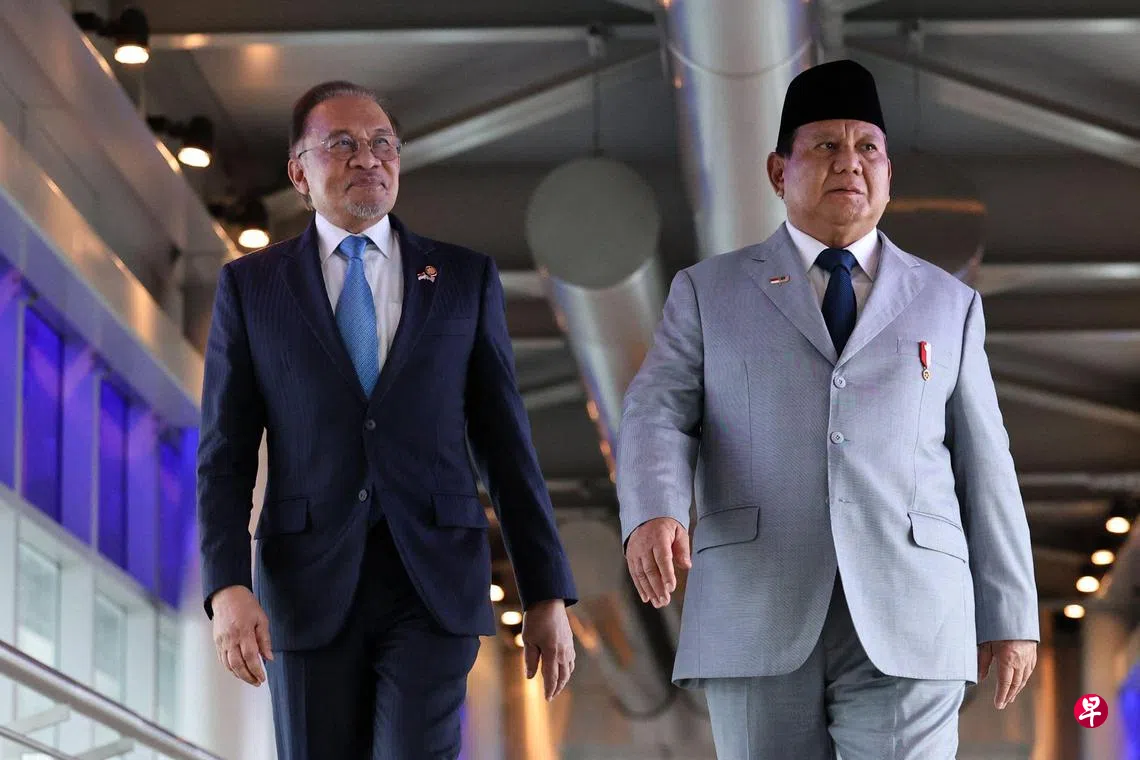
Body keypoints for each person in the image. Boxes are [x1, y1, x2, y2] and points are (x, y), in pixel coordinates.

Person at [616, 60, 1039, 759]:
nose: (850, 163)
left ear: (889, 174)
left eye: (867, 147)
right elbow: (657, 409)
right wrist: (655, 510)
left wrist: (1011, 611)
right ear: (778, 171)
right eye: (825, 146)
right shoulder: (709, 291)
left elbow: (985, 461)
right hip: (757, 602)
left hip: (912, 608)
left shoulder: (949, 304)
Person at [196, 80, 577, 759]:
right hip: (307, 582)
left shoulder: (463, 279)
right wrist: (227, 585)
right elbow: (225, 453)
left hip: (432, 580)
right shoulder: (251, 288)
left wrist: (546, 592)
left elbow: (505, 445)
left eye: (383, 144)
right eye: (342, 143)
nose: (368, 158)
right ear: (298, 172)